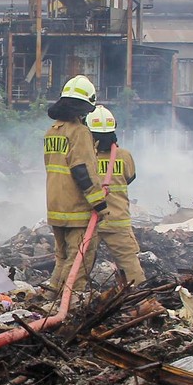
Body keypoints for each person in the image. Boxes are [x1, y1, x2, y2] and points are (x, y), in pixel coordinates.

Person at [43, 75, 107, 296]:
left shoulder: (52, 131)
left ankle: (51, 296)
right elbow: (82, 170)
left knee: (62, 257)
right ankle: (70, 302)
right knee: (80, 257)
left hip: (55, 204)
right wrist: (99, 203)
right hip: (76, 207)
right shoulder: (79, 132)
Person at [86, 106, 146, 285]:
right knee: (130, 265)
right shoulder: (124, 156)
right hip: (118, 220)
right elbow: (130, 178)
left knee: (80, 265)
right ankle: (141, 297)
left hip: (90, 222)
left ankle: (71, 298)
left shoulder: (85, 157)